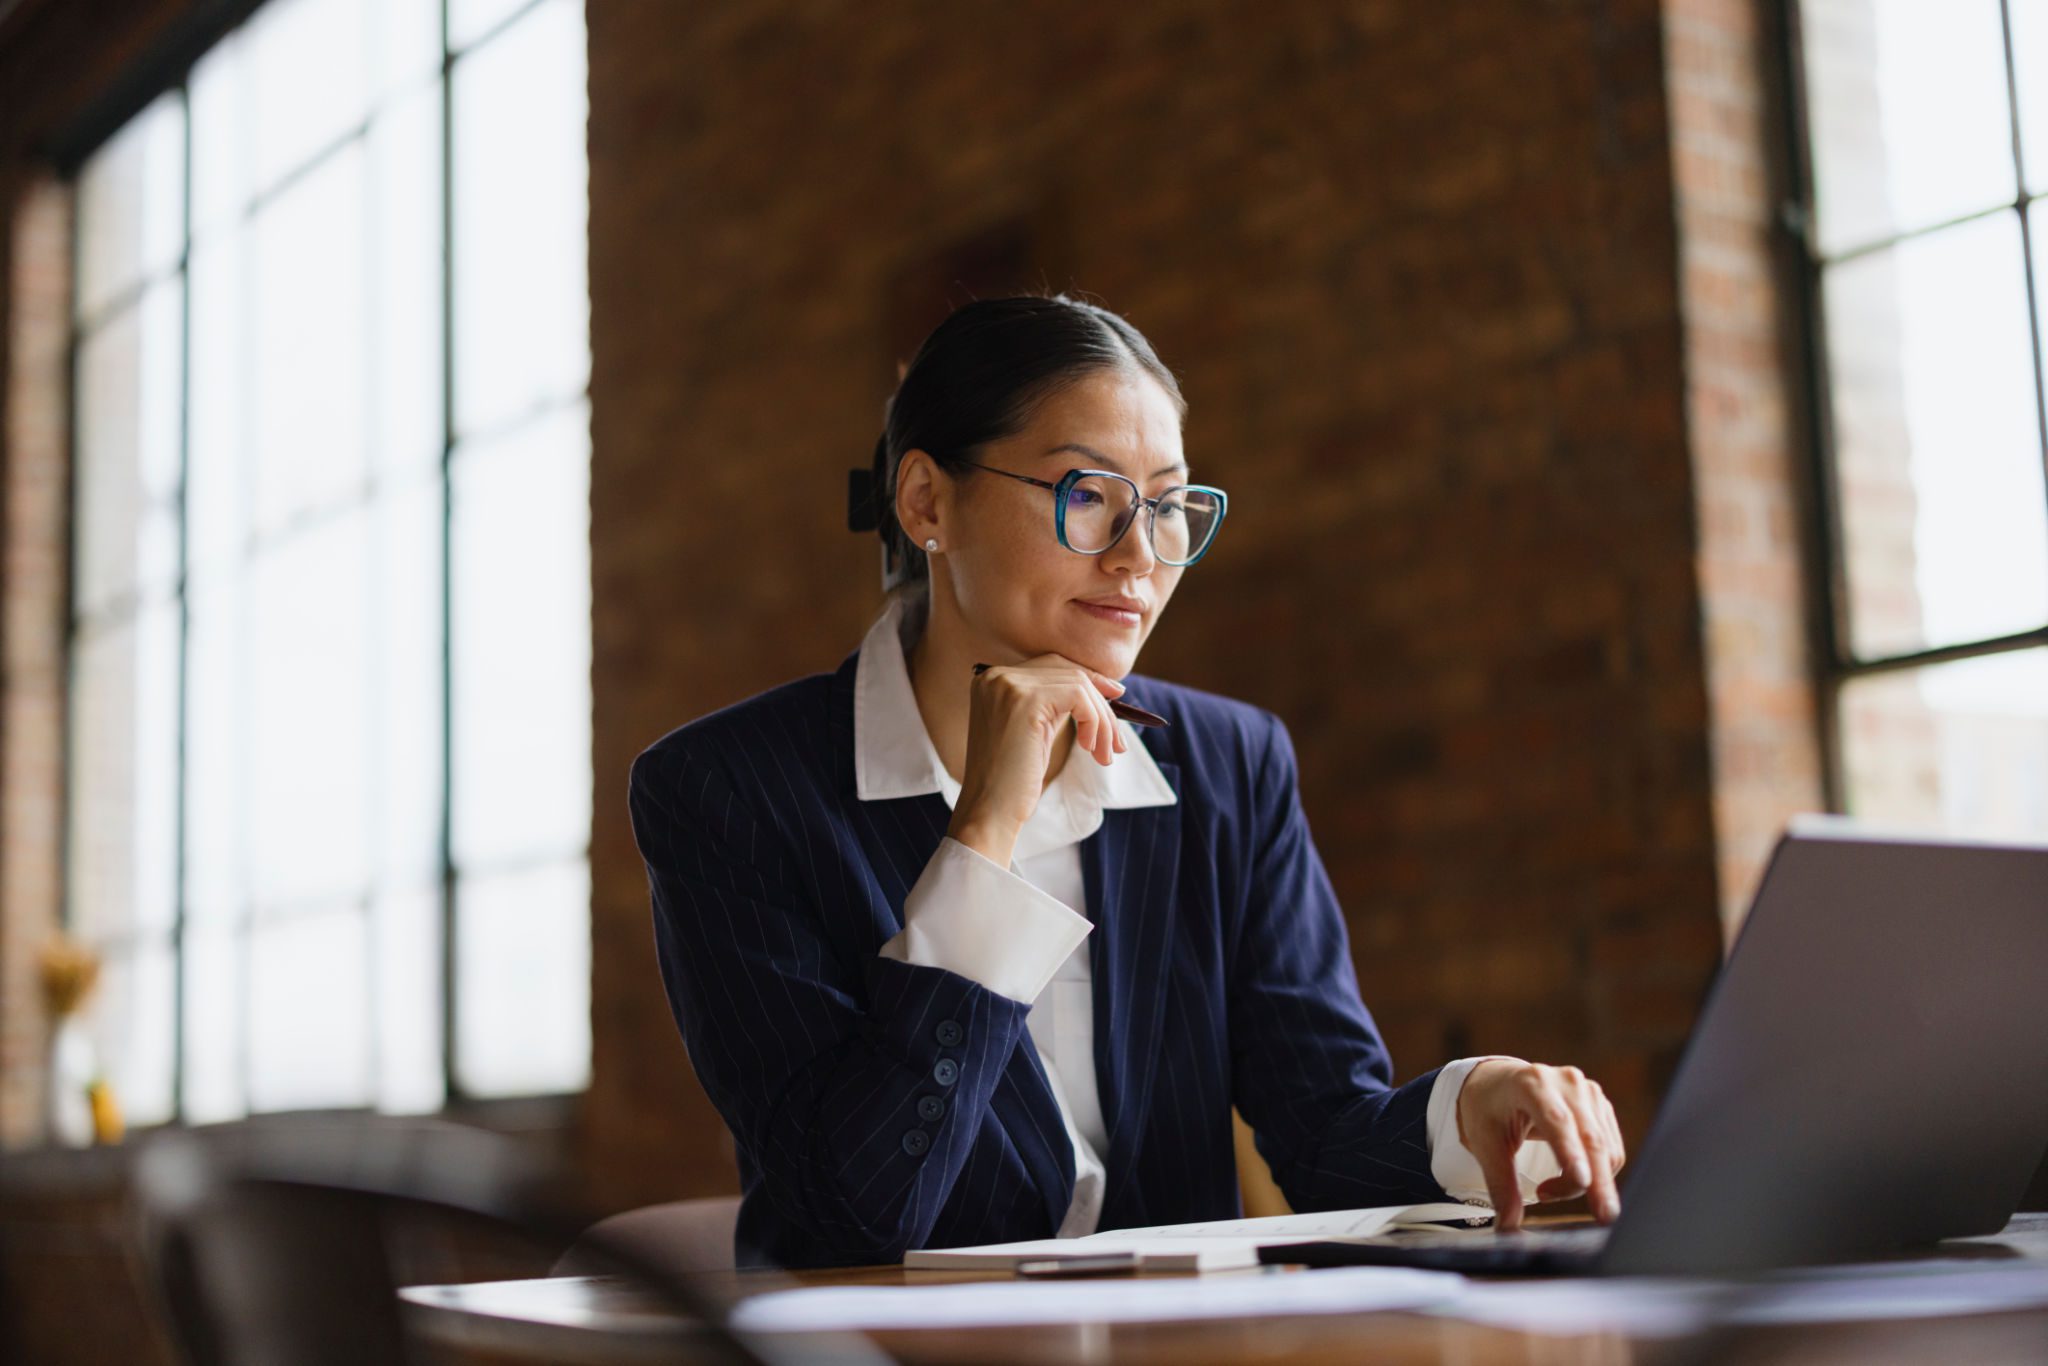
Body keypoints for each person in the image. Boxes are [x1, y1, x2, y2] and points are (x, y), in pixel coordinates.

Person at [627, 293, 1625, 1269]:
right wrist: (985, 835)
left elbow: (1323, 1137)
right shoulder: (725, 792)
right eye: (1088, 495)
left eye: (1166, 505)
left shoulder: (1229, 765)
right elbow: (853, 1213)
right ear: (927, 501)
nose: (1139, 555)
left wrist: (1471, 1104)